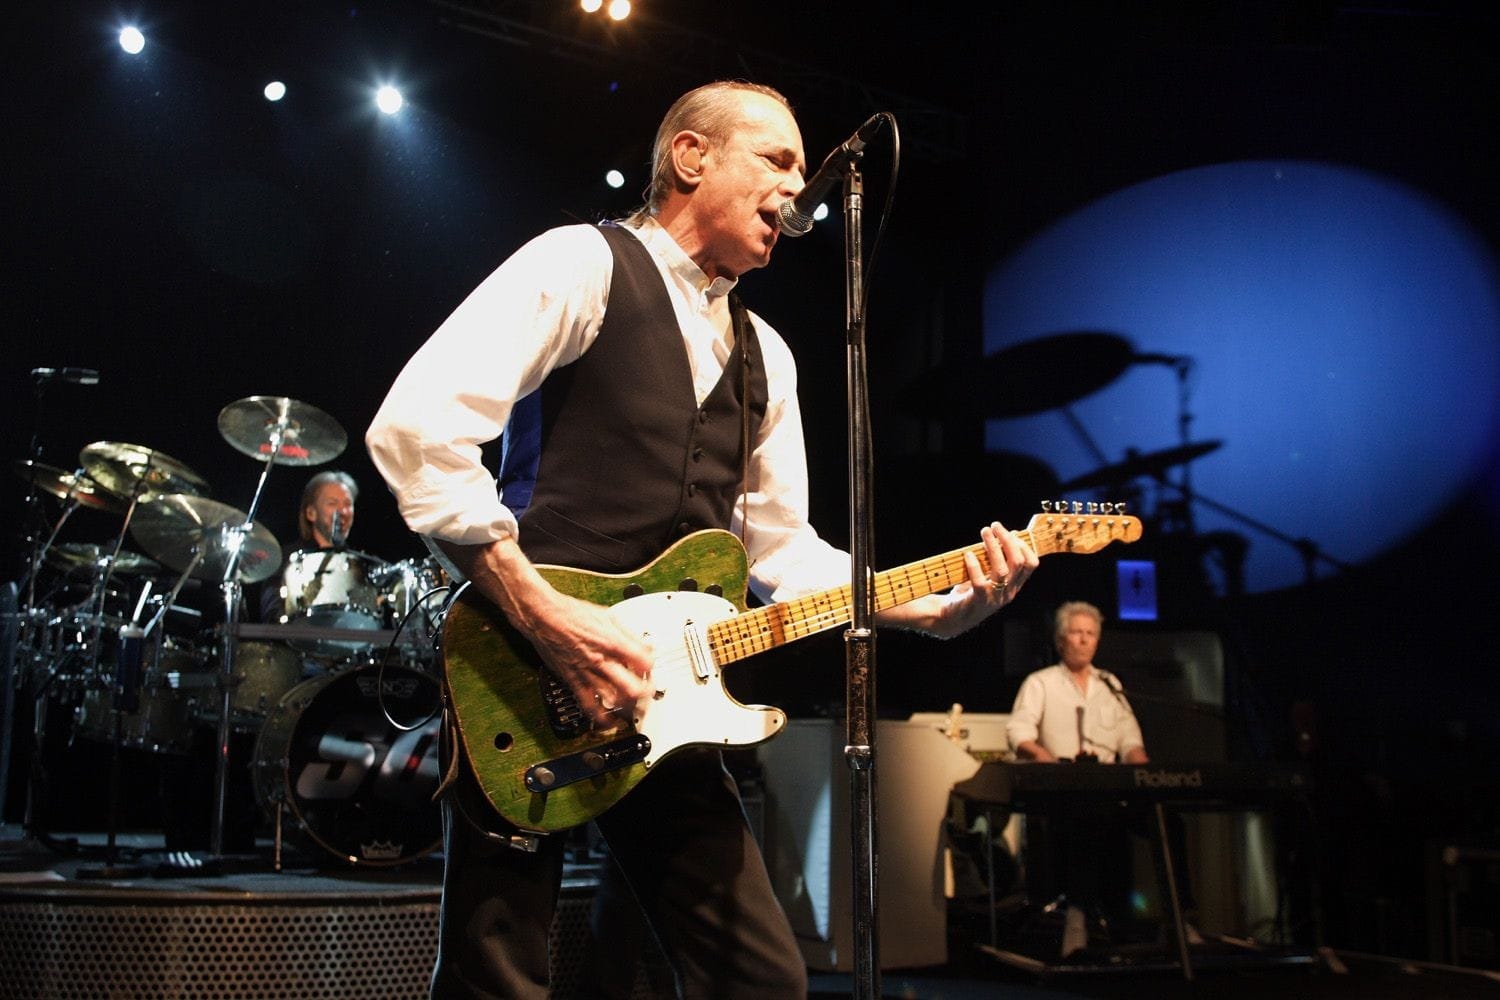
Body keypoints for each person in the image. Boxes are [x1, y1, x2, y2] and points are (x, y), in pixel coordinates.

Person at [365, 79, 1039, 999]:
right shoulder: (580, 264)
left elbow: (783, 555)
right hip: (525, 676)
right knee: (499, 979)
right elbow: (416, 431)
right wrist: (547, 616)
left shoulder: (772, 355)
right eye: (777, 160)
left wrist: (942, 608)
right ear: (691, 156)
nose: (797, 190)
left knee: (761, 980)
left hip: (670, 705)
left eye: (803, 171)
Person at [1006, 601, 1196, 959]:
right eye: (1076, 633)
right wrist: (1050, 762)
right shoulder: (1040, 683)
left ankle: (1179, 920)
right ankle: (1076, 920)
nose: (1084, 640)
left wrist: (1145, 776)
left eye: (1090, 634)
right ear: (1061, 640)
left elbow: (1131, 741)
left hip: (1113, 791)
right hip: (1065, 793)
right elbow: (1019, 732)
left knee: (1169, 822)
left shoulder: (1110, 684)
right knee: (1084, 823)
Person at [257, 470, 359, 624]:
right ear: (311, 513)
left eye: (348, 504)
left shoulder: (359, 564)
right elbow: (272, 614)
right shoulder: (285, 559)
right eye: (332, 503)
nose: (343, 512)